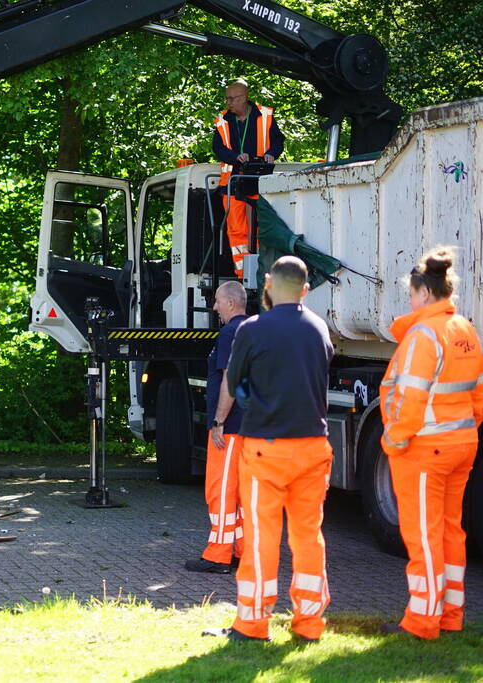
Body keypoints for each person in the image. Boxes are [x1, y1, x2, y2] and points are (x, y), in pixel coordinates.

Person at [213, 256, 334, 642]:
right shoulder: (319, 329)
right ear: (306, 288)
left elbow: (234, 382)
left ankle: (252, 624)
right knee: (308, 537)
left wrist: (237, 412)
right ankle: (310, 623)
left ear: (267, 283)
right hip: (314, 447)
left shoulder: (252, 329)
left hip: (266, 448)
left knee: (263, 536)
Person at [379, 248, 483, 640]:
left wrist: (394, 440)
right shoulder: (464, 329)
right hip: (460, 443)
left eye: (410, 292)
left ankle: (422, 621)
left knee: (423, 535)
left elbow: (410, 396)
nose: (409, 299)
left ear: (423, 292)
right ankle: (451, 614)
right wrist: (466, 429)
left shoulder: (424, 335)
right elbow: (477, 393)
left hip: (424, 448)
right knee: (451, 531)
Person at [185, 281, 249, 574]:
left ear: (232, 304)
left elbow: (229, 380)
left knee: (220, 490)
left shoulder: (229, 332)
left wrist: (218, 421)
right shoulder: (253, 330)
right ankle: (241, 550)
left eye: (218, 302)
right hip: (250, 426)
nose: (214, 307)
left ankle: (218, 555)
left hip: (231, 426)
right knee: (242, 493)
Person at [212, 79, 285, 279]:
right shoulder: (223, 120)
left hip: (260, 181)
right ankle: (243, 274)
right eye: (226, 98)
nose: (228, 102)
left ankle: (265, 271)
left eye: (231, 98)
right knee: (236, 229)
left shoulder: (265, 116)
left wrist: (271, 153)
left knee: (263, 226)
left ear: (244, 97)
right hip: (232, 183)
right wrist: (235, 156)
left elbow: (279, 141)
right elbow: (218, 148)